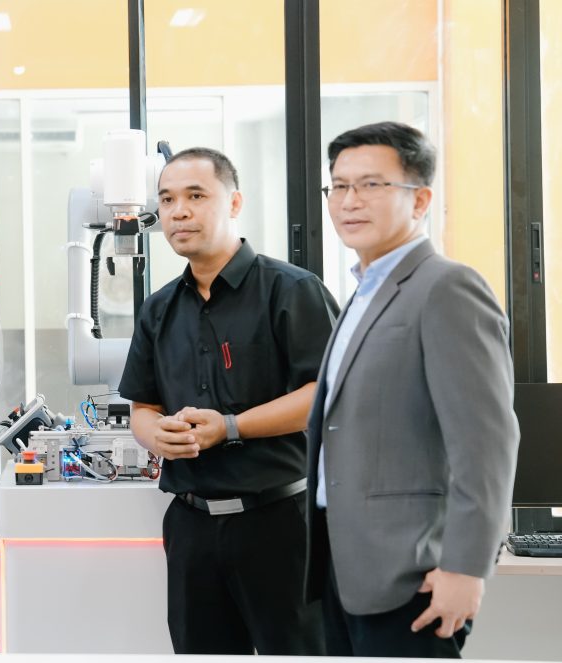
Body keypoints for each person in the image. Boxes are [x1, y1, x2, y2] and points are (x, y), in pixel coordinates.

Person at [304, 121, 520, 657]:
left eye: (371, 185)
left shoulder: (446, 287)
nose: (349, 201)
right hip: (344, 566)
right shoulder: (363, 291)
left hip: (412, 573)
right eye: (339, 186)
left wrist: (466, 568)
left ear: (420, 199)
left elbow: (486, 444)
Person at [119, 147, 338, 654]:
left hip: (280, 523)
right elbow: (142, 408)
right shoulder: (157, 309)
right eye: (167, 200)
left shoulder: (292, 290)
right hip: (191, 526)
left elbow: (324, 396)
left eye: (196, 196)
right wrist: (157, 436)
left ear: (234, 202)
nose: (178, 212)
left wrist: (230, 426)